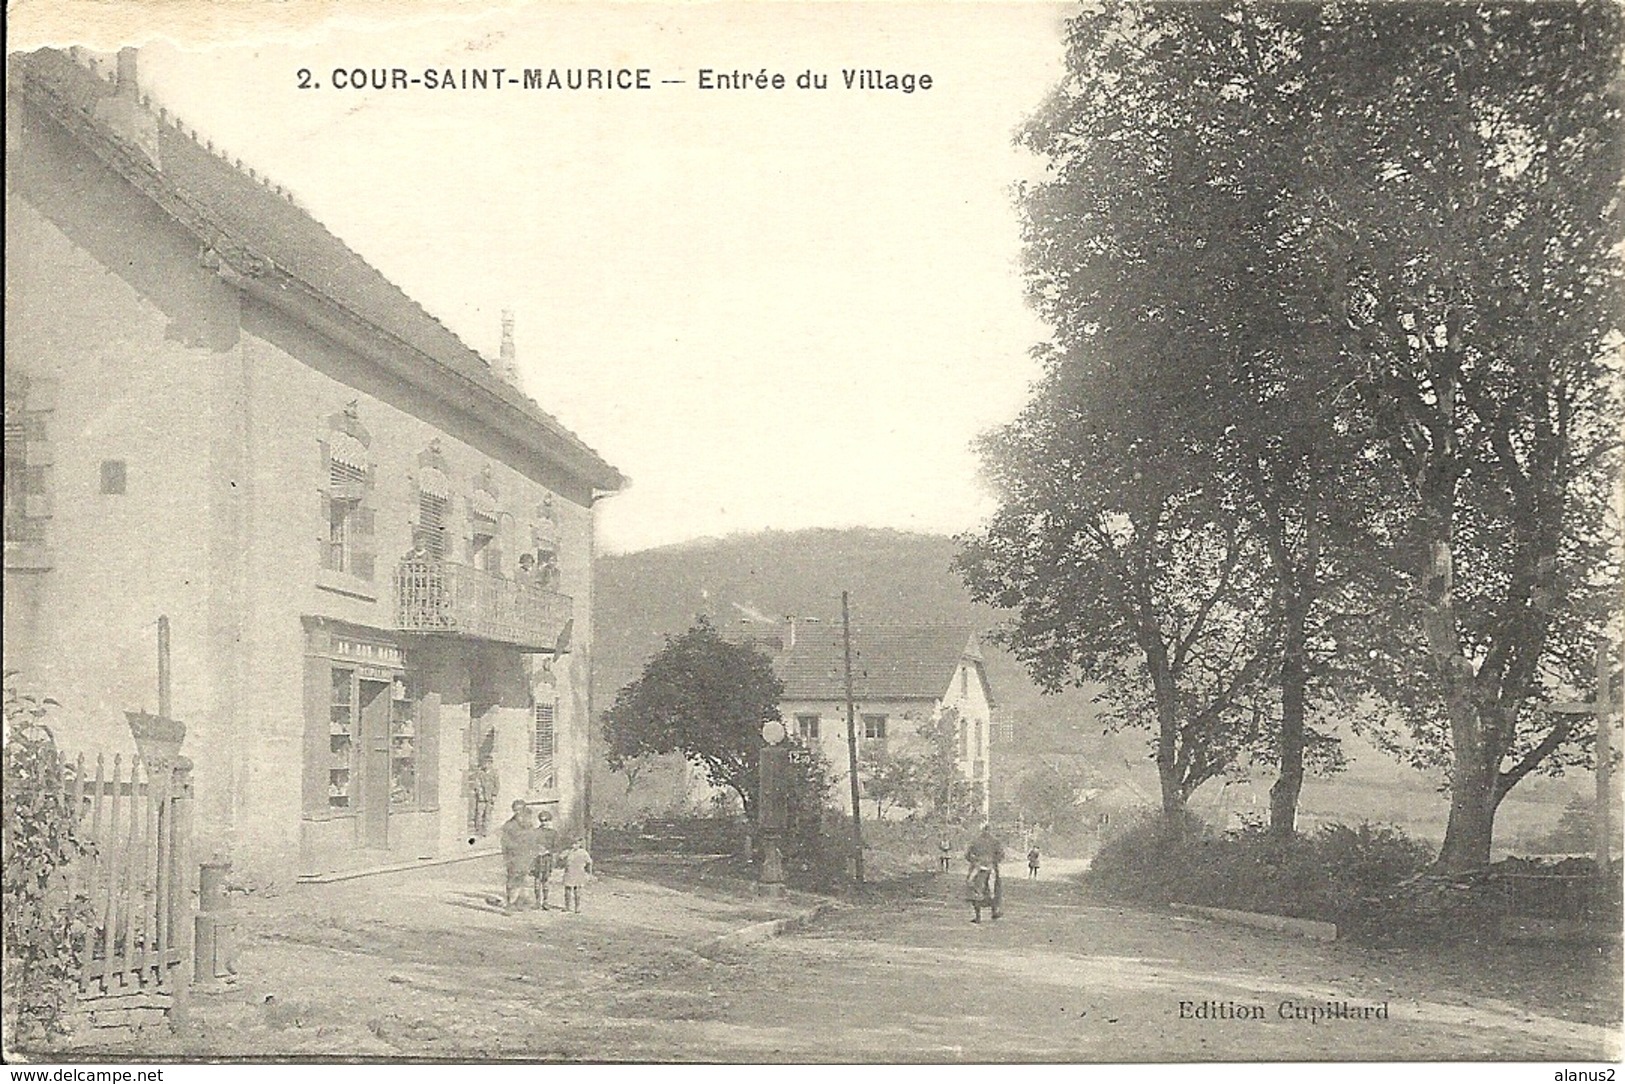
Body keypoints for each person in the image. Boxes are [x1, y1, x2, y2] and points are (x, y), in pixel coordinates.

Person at [499, 800, 538, 912]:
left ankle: (519, 902)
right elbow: (505, 842)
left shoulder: (528, 824)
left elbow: (533, 839)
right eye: (515, 811)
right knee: (512, 880)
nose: (518, 813)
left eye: (520, 810)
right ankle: (510, 905)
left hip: (525, 857)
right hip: (514, 857)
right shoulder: (509, 825)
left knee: (522, 879)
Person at [963, 823, 1005, 923]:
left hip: (977, 868)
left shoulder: (975, 841)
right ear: (990, 831)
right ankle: (994, 911)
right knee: (994, 889)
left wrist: (974, 861)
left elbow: (967, 855)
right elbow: (1001, 855)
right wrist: (994, 861)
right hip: (991, 867)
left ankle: (978, 916)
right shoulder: (995, 841)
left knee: (975, 891)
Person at [560, 838, 593, 914]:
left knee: (577, 889)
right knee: (567, 889)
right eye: (573, 844)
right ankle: (567, 906)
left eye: (576, 843)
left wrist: (589, 873)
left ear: (579, 844)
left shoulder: (583, 852)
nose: (574, 845)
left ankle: (577, 907)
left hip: (578, 872)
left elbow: (589, 862)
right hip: (569, 871)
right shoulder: (569, 851)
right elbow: (560, 857)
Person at [533, 811, 557, 910]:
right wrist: (536, 851)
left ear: (550, 821)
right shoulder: (535, 832)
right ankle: (537, 901)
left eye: (546, 820)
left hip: (547, 858)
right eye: (542, 821)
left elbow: (556, 847)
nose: (544, 823)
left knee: (546, 880)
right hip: (537, 858)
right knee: (537, 880)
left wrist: (548, 851)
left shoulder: (553, 833)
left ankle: (546, 901)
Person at [471, 758, 498, 836]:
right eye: (485, 763)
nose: (486, 765)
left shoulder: (494, 774)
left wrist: (494, 795)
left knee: (488, 814)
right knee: (479, 813)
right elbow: (477, 784)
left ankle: (486, 831)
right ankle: (478, 830)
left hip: (489, 797)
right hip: (481, 798)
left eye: (488, 763)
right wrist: (480, 794)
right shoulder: (480, 773)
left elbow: (497, 785)